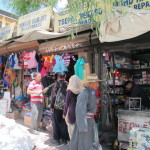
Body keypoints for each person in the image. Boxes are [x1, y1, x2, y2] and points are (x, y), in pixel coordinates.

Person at [69, 73, 102, 150]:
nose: (98, 84)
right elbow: (80, 110)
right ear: (90, 84)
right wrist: (83, 127)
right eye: (96, 82)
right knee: (84, 142)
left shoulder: (91, 92)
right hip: (85, 122)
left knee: (91, 140)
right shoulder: (84, 93)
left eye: (98, 82)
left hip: (90, 121)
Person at [50, 72, 69, 144]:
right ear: (65, 77)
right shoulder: (67, 84)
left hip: (57, 107)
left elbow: (54, 96)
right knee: (64, 123)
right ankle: (65, 139)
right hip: (65, 107)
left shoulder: (55, 84)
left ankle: (57, 139)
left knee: (56, 123)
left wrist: (52, 106)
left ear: (58, 77)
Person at [63, 75, 84, 139]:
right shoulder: (82, 90)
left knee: (72, 131)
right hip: (81, 112)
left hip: (72, 112)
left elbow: (66, 103)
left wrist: (64, 113)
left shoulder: (69, 91)